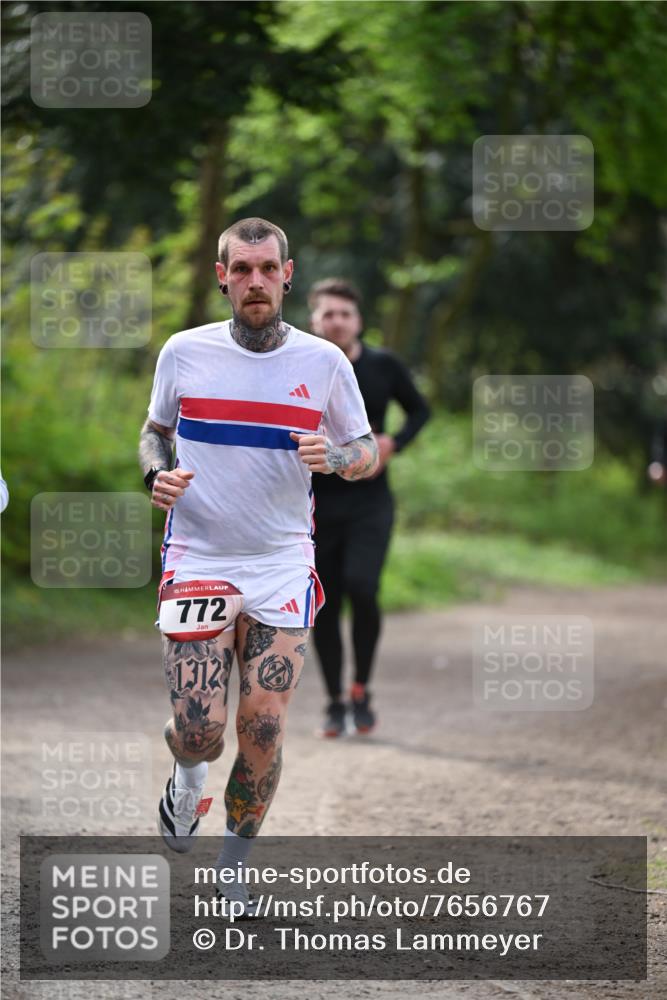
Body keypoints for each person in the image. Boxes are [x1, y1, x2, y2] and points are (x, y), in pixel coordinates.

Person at [138, 219, 377, 914]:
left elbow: (362, 448)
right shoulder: (184, 351)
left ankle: (233, 867)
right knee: (200, 730)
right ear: (222, 276)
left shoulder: (324, 362)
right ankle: (187, 779)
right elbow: (154, 432)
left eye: (266, 269)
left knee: (263, 727)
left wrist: (333, 459)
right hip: (200, 556)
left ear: (288, 274)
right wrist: (157, 473)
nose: (254, 282)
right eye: (240, 270)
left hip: (278, 560)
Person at [308, 279, 430, 738]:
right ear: (315, 321)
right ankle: (334, 701)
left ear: (358, 321)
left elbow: (420, 410)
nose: (337, 321)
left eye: (345, 313)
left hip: (370, 501)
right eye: (328, 314)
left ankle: (361, 688)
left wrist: (393, 442)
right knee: (325, 602)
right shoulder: (302, 365)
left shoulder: (383, 365)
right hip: (317, 501)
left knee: (362, 586)